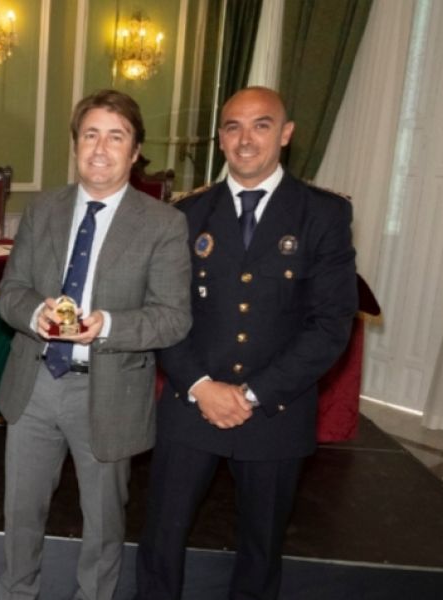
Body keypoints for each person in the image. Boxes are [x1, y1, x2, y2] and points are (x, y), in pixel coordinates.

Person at [136, 86, 357, 600]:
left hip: (276, 411)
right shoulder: (186, 214)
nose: (246, 139)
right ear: (220, 138)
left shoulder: (323, 214)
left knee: (261, 550)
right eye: (233, 127)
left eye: (261, 125)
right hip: (192, 403)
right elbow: (164, 313)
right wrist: (200, 386)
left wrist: (252, 394)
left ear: (286, 134)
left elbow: (330, 325)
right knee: (161, 540)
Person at [0, 90, 192, 600]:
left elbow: (173, 319)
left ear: (135, 150)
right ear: (75, 144)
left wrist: (107, 325)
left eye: (115, 137)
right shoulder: (43, 209)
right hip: (34, 384)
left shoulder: (164, 224)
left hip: (108, 392)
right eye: (90, 135)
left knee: (103, 526)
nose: (100, 148)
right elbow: (11, 294)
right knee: (20, 516)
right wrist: (35, 314)